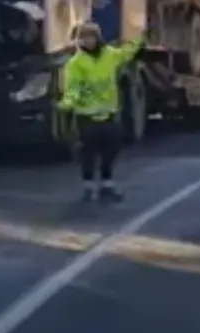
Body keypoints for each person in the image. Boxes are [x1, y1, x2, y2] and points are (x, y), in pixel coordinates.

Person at [59, 22, 146, 202]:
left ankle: (107, 183)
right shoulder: (75, 63)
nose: (88, 41)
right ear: (79, 41)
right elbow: (73, 87)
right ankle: (88, 185)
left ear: (97, 38)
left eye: (91, 37)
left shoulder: (110, 55)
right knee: (88, 152)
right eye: (83, 38)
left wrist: (140, 39)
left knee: (111, 150)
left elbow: (126, 53)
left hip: (109, 115)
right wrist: (69, 102)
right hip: (87, 117)